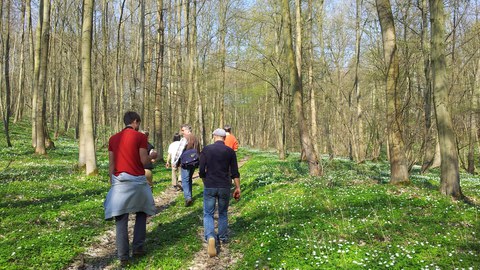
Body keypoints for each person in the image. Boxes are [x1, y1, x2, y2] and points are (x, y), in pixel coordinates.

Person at [103, 111, 156, 266]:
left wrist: (112, 181)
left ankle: (123, 256)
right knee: (142, 211)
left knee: (121, 218)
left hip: (119, 181)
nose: (139, 126)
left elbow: (111, 164)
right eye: (138, 123)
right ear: (134, 122)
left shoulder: (113, 139)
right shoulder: (140, 137)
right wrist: (154, 156)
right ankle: (138, 247)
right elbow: (144, 160)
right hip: (137, 181)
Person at [199, 128, 241, 257]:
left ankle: (211, 236)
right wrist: (238, 187)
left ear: (214, 136)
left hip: (210, 184)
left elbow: (201, 169)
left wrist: (205, 179)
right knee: (223, 213)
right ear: (224, 138)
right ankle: (222, 237)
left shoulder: (206, 149)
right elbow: (234, 172)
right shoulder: (229, 152)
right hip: (225, 186)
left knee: (208, 213)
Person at [172, 124, 200, 206]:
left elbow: (179, 152)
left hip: (186, 162)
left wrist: (175, 162)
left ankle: (188, 198)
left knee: (185, 180)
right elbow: (198, 150)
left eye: (183, 130)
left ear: (188, 130)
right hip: (194, 161)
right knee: (189, 179)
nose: (182, 132)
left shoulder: (185, 139)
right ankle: (189, 196)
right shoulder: (196, 138)